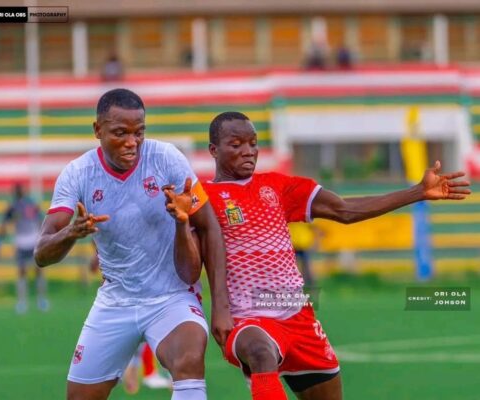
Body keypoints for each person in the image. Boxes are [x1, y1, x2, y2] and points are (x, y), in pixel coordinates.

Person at [202, 111, 471, 400]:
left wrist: (417, 192)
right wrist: (219, 307)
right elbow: (194, 260)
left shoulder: (277, 186)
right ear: (214, 150)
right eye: (237, 144)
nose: (248, 151)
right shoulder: (203, 197)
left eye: (253, 143)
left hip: (297, 316)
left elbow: (344, 210)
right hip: (248, 316)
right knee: (260, 352)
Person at [34, 88, 232, 400]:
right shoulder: (78, 174)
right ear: (97, 130)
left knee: (189, 360)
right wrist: (71, 232)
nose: (132, 142)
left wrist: (221, 306)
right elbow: (42, 253)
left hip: (172, 297)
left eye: (139, 132)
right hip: (116, 302)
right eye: (120, 133)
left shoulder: (166, 159)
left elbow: (209, 228)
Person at [0, 183, 48, 314]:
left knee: (32, 271)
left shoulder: (26, 205)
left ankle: (36, 300)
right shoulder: (18, 206)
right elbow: (4, 225)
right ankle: (27, 301)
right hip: (26, 241)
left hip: (30, 240)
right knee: (28, 271)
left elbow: (41, 221)